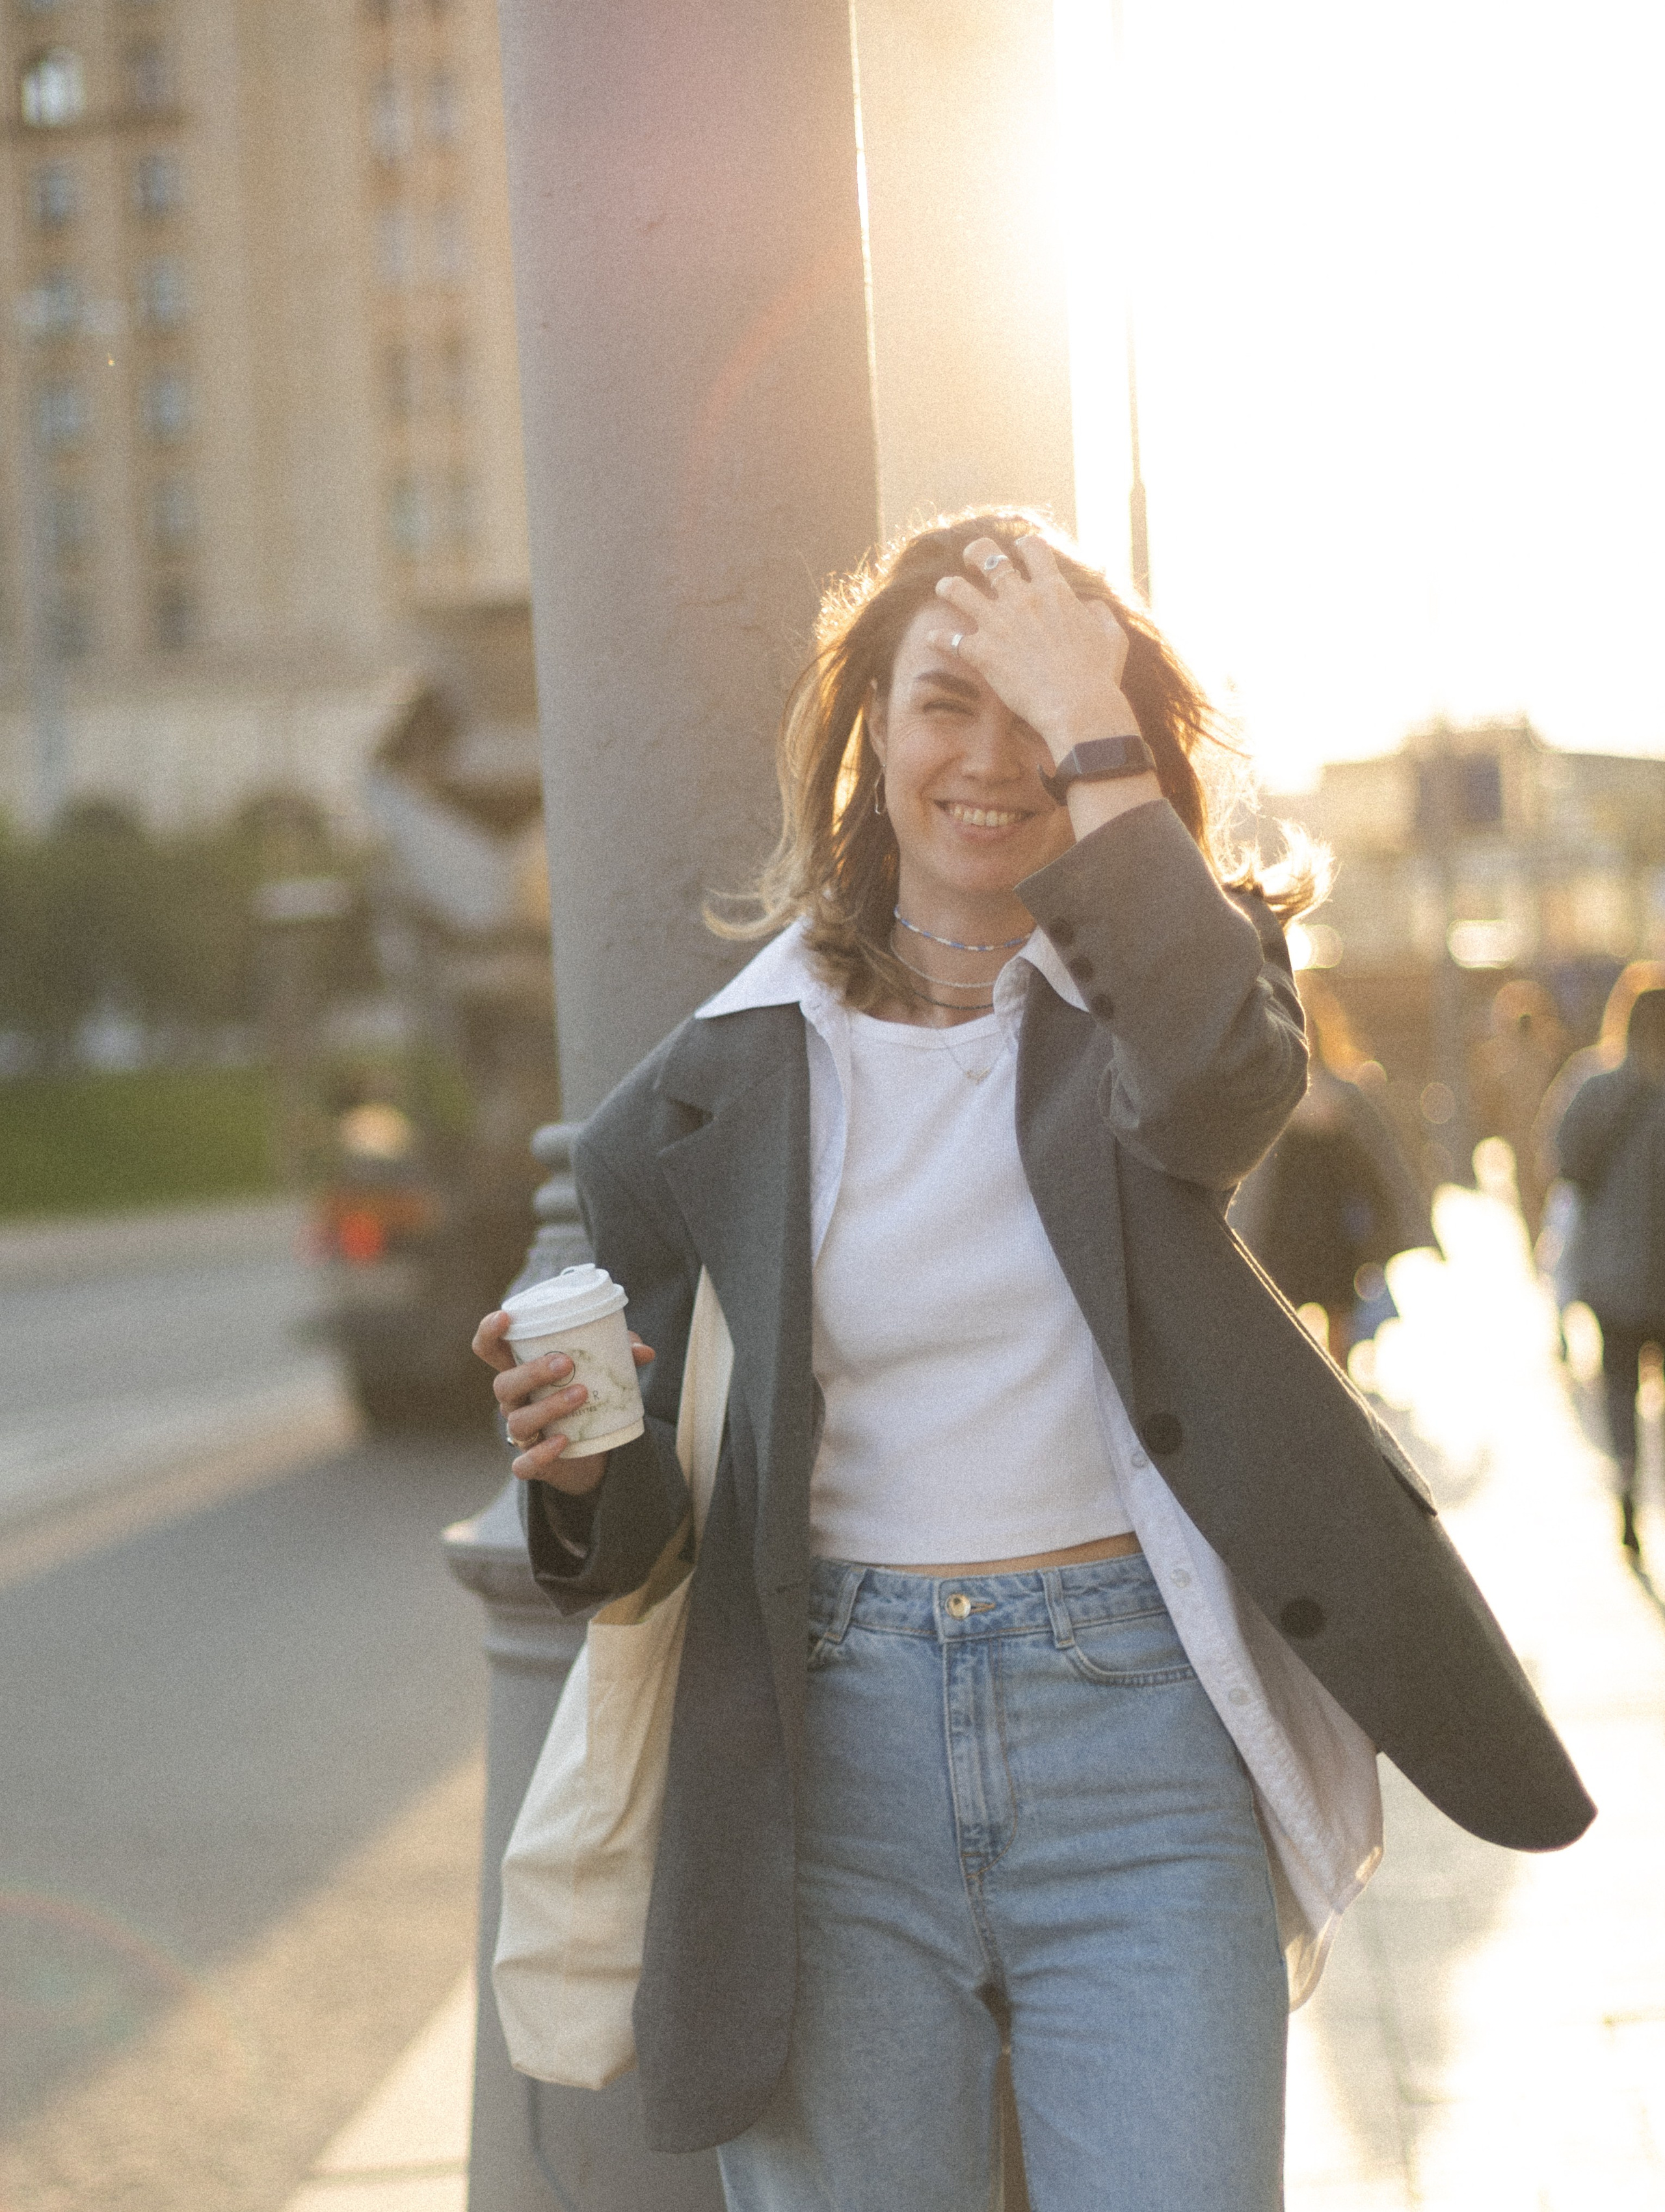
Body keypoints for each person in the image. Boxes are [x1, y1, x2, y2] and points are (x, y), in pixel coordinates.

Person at [473, 514, 1591, 2212]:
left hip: (1136, 1752)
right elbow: (630, 1541)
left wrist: (1105, 739)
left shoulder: (1157, 1005)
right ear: (871, 732)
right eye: (948, 703)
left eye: (1048, 715)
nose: (990, 760)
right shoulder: (722, 1083)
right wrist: (575, 1468)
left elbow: (1225, 1084)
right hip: (826, 1768)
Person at [1231, 978, 1433, 1365]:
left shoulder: (1347, 1093)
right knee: (1285, 1309)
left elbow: (1383, 1162)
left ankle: (1338, 1386)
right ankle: (1303, 1380)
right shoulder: (1266, 1091)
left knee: (1337, 1310)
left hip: (1331, 1228)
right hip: (1283, 1227)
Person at [1552, 983, 1665, 1560]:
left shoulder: (1594, 1085)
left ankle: (1627, 1495)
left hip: (1612, 1276)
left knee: (1619, 1389)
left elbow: (1564, 1160)